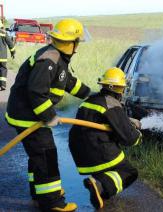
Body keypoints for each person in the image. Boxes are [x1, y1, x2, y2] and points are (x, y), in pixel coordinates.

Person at [5, 19, 91, 211]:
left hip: (28, 113)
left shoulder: (57, 57)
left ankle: (40, 192)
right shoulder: (49, 60)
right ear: (70, 43)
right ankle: (52, 202)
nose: (78, 47)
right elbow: (36, 92)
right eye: (77, 42)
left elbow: (67, 81)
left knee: (37, 155)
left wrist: (89, 94)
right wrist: (49, 116)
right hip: (28, 115)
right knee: (46, 155)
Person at [68, 67, 142, 209]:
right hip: (97, 148)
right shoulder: (112, 104)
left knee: (107, 170)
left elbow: (108, 121)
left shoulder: (92, 99)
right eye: (122, 88)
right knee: (129, 172)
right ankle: (100, 185)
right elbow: (129, 139)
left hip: (79, 149)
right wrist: (138, 135)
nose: (122, 92)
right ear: (117, 89)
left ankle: (98, 191)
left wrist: (127, 120)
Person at [0, 20, 15, 91]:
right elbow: (10, 44)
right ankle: (3, 85)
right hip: (2, 57)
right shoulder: (4, 33)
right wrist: (13, 52)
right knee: (3, 69)